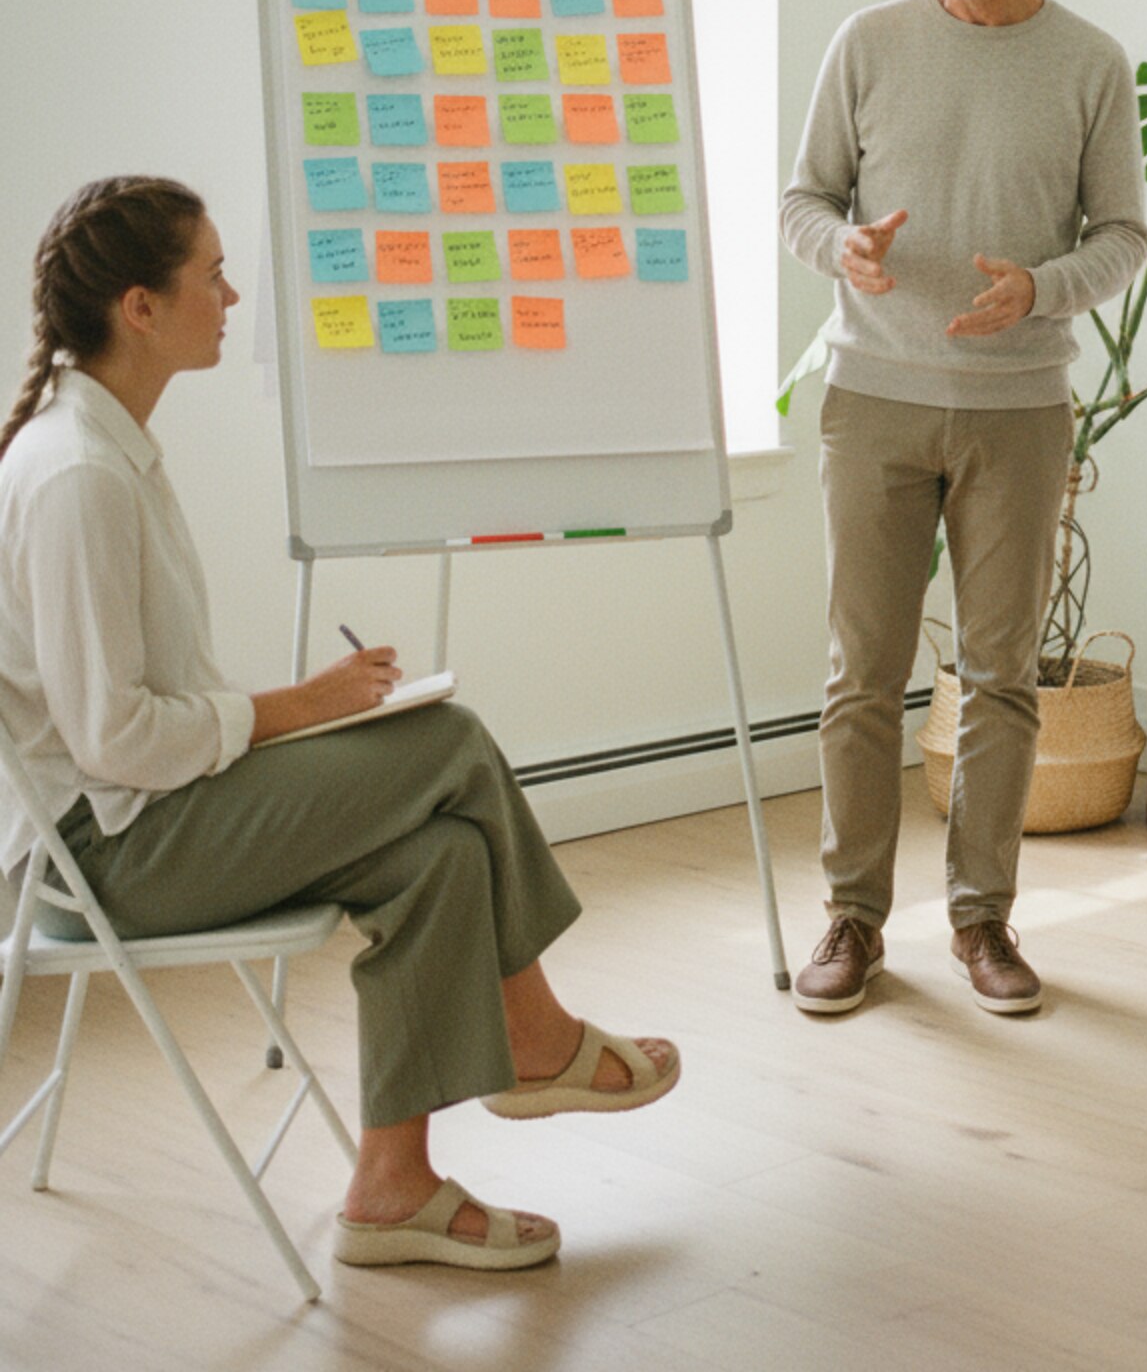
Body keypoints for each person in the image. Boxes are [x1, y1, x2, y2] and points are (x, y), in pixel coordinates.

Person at [0, 179, 678, 1273]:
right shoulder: (79, 473)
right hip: (111, 853)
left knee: (442, 855)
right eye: (213, 275)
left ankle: (391, 1189)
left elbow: (136, 722)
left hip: (147, 816)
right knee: (450, 742)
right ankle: (536, 1036)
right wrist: (304, 708)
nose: (231, 297)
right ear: (140, 307)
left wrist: (296, 719)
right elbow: (112, 739)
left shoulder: (105, 444)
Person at [778, 0, 1147, 1017]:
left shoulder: (1089, 63)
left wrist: (1040, 288)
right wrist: (843, 248)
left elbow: (1121, 235)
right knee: (861, 674)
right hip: (873, 396)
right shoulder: (868, 40)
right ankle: (851, 917)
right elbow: (803, 200)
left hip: (1017, 409)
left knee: (999, 677)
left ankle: (981, 920)